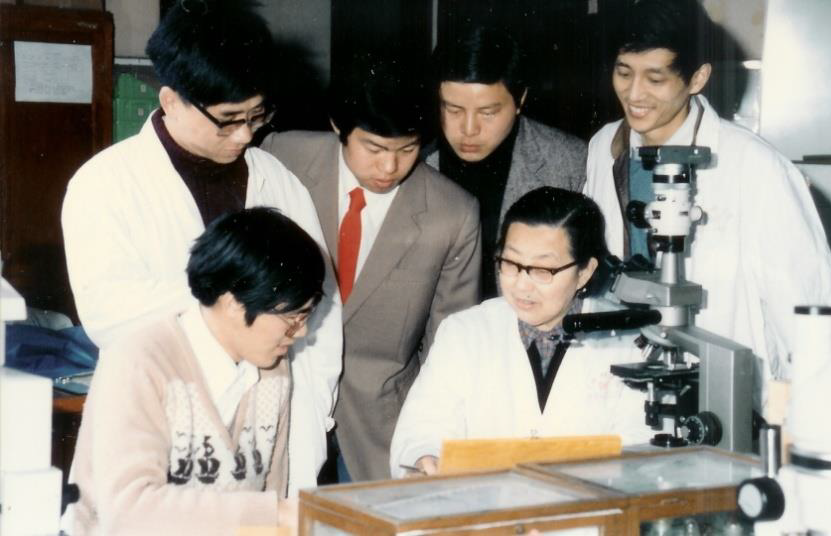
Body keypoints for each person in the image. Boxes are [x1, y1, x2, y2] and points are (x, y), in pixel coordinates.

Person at [61, 0, 342, 492]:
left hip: (269, 443)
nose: (245, 136)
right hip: (160, 434)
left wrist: (306, 444)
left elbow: (320, 319)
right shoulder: (105, 184)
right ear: (171, 99)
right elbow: (109, 315)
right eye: (228, 120)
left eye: (257, 116)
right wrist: (237, 298)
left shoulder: (278, 181)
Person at [584, 0, 831, 409]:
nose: (634, 94)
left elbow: (808, 304)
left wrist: (817, 416)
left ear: (696, 78)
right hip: (626, 380)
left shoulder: (753, 165)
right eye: (623, 73)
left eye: (655, 79)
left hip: (724, 389)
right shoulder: (606, 146)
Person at [261, 59, 481, 482]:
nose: (389, 168)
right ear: (337, 126)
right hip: (283, 396)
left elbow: (449, 345)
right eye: (374, 149)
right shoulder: (282, 157)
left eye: (408, 149)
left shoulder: (453, 213)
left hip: (381, 424)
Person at [64, 208, 323, 535]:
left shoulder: (273, 368)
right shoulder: (139, 362)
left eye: (306, 316)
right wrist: (272, 514)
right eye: (293, 318)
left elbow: (271, 493)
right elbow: (129, 511)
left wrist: (274, 516)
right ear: (234, 303)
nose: (301, 332)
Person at [389, 187, 650, 477]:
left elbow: (641, 446)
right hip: (485, 500)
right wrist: (425, 457)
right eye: (511, 264)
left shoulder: (629, 341)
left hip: (592, 502)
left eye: (543, 270)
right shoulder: (464, 332)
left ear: (585, 272)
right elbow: (423, 426)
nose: (522, 285)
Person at [423, 27, 588, 299]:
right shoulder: (416, 161)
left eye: (487, 112)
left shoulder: (569, 162)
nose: (469, 129)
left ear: (520, 100)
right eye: (453, 109)